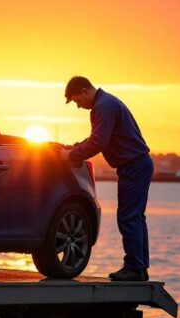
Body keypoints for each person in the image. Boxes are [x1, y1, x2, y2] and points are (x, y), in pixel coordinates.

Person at [58, 76, 153, 281]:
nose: (78, 106)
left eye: (77, 101)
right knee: (135, 217)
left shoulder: (103, 106)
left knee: (128, 217)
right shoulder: (106, 103)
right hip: (137, 165)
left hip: (134, 167)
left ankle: (134, 268)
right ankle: (140, 267)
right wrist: (75, 147)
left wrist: (70, 155)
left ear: (84, 91)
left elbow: (98, 143)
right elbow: (97, 138)